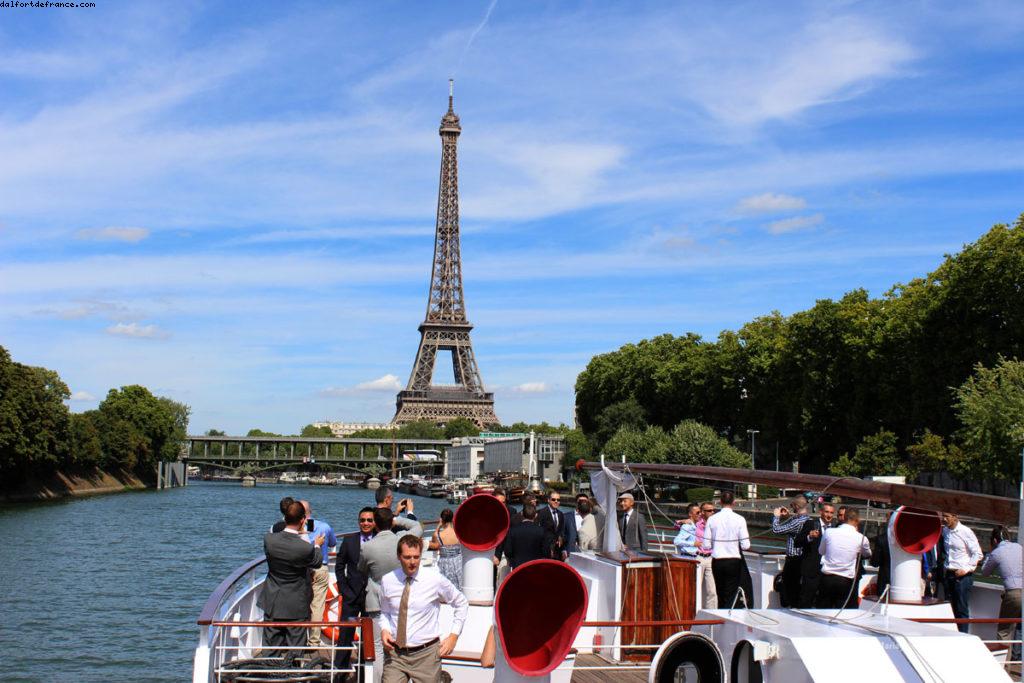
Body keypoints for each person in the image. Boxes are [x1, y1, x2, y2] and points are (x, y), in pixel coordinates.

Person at [379, 535, 468, 683]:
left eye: (416, 557)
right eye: (407, 557)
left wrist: (454, 636)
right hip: (395, 654)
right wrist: (385, 629)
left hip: (426, 655)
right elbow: (385, 612)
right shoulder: (388, 580)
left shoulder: (434, 579)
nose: (413, 562)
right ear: (398, 557)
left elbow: (461, 602)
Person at [359, 506, 424, 681]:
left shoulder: (367, 547)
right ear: (391, 522)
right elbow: (417, 526)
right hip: (399, 600)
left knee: (378, 647)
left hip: (376, 600)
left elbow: (362, 569)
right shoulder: (401, 540)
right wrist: (398, 519)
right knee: (400, 644)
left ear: (375, 525)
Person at [258, 501, 324, 656]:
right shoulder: (305, 548)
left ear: (285, 518)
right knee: (295, 649)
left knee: (270, 648)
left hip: (273, 600)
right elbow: (316, 562)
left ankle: (269, 673)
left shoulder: (269, 539)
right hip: (296, 603)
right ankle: (293, 674)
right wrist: (317, 545)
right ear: (302, 520)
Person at [334, 507, 376, 674]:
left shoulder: (378, 541)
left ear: (374, 522)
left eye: (369, 520)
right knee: (346, 635)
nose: (365, 523)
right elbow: (339, 566)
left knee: (368, 637)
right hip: (351, 600)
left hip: (370, 599)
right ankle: (340, 673)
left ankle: (364, 673)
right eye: (362, 520)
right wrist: (344, 589)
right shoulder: (349, 541)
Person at [703, 491, 750, 608]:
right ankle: (728, 616)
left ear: (720, 502)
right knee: (731, 592)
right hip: (734, 560)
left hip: (718, 560)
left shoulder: (712, 519)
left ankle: (721, 617)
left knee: (720, 592)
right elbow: (746, 545)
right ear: (734, 502)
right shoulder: (740, 519)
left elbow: (706, 545)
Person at [299, 500, 337, 649]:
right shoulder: (324, 527)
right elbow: (333, 543)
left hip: (301, 569)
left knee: (300, 603)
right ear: (311, 511)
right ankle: (314, 641)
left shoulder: (296, 529)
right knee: (317, 604)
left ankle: (298, 638)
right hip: (320, 567)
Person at [817, 508, 870, 609]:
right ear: (857, 520)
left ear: (844, 518)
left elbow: (821, 551)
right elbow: (867, 554)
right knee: (843, 611)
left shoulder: (829, 532)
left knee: (823, 610)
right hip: (845, 581)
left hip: (827, 578)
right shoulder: (861, 538)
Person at [981, 526, 1022, 656]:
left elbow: (985, 572)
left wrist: (989, 553)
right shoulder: (1019, 547)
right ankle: (1017, 658)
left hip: (1013, 593)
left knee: (1004, 630)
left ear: (994, 540)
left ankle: (1003, 665)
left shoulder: (997, 553)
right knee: (1019, 626)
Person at [941, 511, 983, 633]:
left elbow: (978, 554)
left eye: (947, 517)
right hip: (949, 573)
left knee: (961, 608)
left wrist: (965, 569)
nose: (944, 519)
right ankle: (951, 633)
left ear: (955, 517)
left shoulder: (965, 532)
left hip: (962, 576)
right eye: (943, 516)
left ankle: (963, 635)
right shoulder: (945, 531)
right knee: (949, 608)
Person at [794, 502, 835, 608]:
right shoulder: (810, 524)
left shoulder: (835, 529)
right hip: (811, 570)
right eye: (826, 512)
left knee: (825, 601)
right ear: (821, 512)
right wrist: (809, 536)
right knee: (806, 599)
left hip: (828, 571)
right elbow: (797, 542)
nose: (829, 515)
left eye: (831, 513)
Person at [771, 495, 809, 607]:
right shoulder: (805, 519)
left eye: (792, 506)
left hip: (794, 560)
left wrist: (776, 517)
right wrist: (787, 516)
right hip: (801, 560)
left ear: (796, 506)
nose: (791, 507)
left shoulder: (797, 523)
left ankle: (790, 608)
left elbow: (776, 530)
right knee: (794, 588)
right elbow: (794, 521)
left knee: (789, 588)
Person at [502, 502, 548, 569]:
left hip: (518, 567)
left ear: (522, 514)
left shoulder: (512, 531)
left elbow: (508, 551)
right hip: (536, 566)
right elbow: (546, 551)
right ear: (535, 515)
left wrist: (513, 560)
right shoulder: (541, 531)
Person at [429, 508, 463, 589]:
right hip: (458, 562)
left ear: (441, 519)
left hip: (445, 564)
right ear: (452, 518)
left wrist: (438, 526)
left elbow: (433, 543)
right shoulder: (458, 532)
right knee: (459, 586)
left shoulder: (437, 535)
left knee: (446, 587)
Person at [696, 502, 717, 608]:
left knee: (712, 590)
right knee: (696, 588)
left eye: (713, 510)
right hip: (698, 557)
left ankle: (712, 614)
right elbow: (677, 527)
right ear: (702, 512)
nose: (712, 512)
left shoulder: (715, 524)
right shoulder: (696, 524)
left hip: (711, 558)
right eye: (709, 510)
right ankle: (694, 613)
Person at [871, 511, 894, 600]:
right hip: (901, 581)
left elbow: (875, 562)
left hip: (884, 581)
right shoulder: (906, 539)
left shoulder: (881, 539)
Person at [537, 492, 566, 559]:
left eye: (558, 500)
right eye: (553, 499)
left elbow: (561, 530)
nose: (556, 501)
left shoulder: (560, 514)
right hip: (545, 551)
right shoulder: (541, 513)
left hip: (557, 551)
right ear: (548, 500)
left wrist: (561, 537)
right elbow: (539, 533)